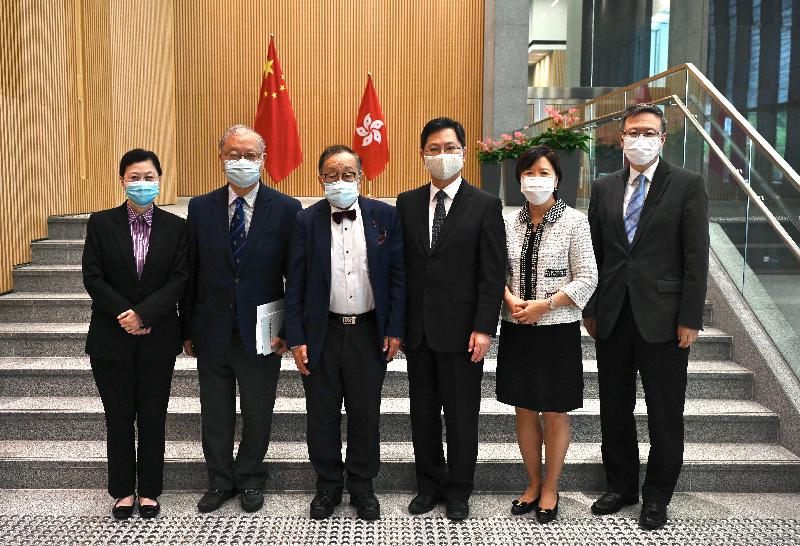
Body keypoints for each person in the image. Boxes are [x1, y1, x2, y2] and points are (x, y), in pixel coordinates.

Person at [583, 103, 709, 530]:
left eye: (648, 132)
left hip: (666, 318)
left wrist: (690, 316)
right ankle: (622, 486)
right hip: (613, 315)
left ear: (662, 138)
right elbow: (595, 256)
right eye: (633, 132)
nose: (640, 139)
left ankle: (657, 496)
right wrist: (592, 308)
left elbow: (696, 258)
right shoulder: (603, 187)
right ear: (621, 139)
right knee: (614, 408)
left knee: (664, 412)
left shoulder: (688, 185)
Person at [180, 124, 302, 514]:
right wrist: (187, 329)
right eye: (234, 154)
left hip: (263, 331)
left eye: (251, 155)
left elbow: (294, 277)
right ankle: (218, 481)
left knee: (257, 410)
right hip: (212, 329)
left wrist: (289, 329)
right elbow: (190, 273)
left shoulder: (286, 209)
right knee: (214, 412)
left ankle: (250, 477)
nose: (242, 162)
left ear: (264, 160)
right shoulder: (199, 208)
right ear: (220, 158)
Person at [285, 145, 406, 521]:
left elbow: (399, 278)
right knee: (321, 414)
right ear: (320, 178)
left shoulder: (385, 216)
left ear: (362, 177)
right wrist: (296, 337)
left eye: (348, 174)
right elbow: (296, 284)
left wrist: (395, 328)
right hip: (322, 332)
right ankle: (327, 487)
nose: (340, 182)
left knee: (365, 413)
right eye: (332, 175)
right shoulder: (306, 221)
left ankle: (362, 487)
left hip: (369, 332)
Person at [396, 117, 506, 520]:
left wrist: (483, 327)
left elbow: (493, 273)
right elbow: (402, 270)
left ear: (463, 152)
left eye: (450, 147)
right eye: (434, 149)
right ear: (422, 154)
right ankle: (428, 486)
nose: (442, 155)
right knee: (421, 414)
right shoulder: (406, 202)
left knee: (461, 416)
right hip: (419, 331)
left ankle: (458, 489)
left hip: (463, 332)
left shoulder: (485, 204)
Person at [82, 149, 188, 520]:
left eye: (148, 177)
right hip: (110, 338)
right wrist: (125, 315)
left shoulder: (177, 227)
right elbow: (93, 277)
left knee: (154, 416)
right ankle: (124, 490)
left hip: (158, 336)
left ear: (160, 180)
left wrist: (144, 313)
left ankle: (151, 491)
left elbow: (180, 279)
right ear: (122, 180)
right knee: (119, 417)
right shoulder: (101, 223)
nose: (141, 184)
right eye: (134, 177)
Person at [497, 146, 597, 524]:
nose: (535, 179)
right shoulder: (509, 222)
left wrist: (546, 305)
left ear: (557, 178)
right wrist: (509, 299)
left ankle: (552, 487)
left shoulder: (575, 222)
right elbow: (497, 271)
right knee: (524, 408)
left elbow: (588, 276)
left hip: (557, 331)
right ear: (519, 179)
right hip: (517, 328)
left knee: (554, 411)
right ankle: (532, 482)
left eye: (543, 172)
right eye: (528, 173)